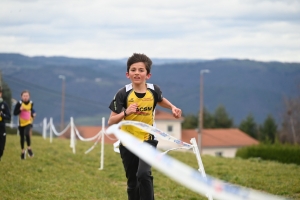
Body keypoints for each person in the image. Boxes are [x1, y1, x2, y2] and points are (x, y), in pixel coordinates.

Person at [108, 53, 182, 200]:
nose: (137, 73)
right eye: (133, 70)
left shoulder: (153, 90)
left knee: (143, 174)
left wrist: (172, 107)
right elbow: (111, 121)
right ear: (127, 74)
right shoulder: (123, 93)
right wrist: (126, 112)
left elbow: (160, 100)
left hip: (147, 140)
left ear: (148, 75)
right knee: (132, 182)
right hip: (127, 142)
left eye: (141, 70)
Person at [13, 90, 35, 159]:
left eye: (27, 96)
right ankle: (23, 152)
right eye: (24, 96)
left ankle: (29, 148)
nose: (25, 97)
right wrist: (20, 109)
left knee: (27, 134)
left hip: (28, 122)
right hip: (21, 123)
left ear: (29, 96)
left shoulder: (31, 103)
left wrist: (32, 114)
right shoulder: (19, 103)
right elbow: (15, 113)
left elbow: (31, 110)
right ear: (21, 96)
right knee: (22, 138)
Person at [0, 86, 11, 161]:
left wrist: (2, 115)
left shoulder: (4, 104)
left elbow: (8, 117)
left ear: (1, 94)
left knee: (1, 148)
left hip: (1, 127)